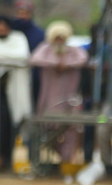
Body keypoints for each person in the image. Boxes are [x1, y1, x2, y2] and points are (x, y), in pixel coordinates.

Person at [31, 21, 88, 163]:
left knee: (70, 130)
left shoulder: (73, 51)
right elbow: (35, 58)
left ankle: (66, 161)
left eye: (62, 38)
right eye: (56, 38)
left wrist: (66, 64)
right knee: (48, 133)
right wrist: (55, 63)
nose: (59, 41)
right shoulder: (45, 50)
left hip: (69, 102)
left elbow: (83, 58)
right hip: (48, 102)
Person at [0, 16, 32, 172]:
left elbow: (22, 56)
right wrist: (9, 58)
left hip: (15, 91)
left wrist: (0, 58)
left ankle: (8, 158)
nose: (1, 29)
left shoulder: (18, 39)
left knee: (13, 125)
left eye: (4, 26)